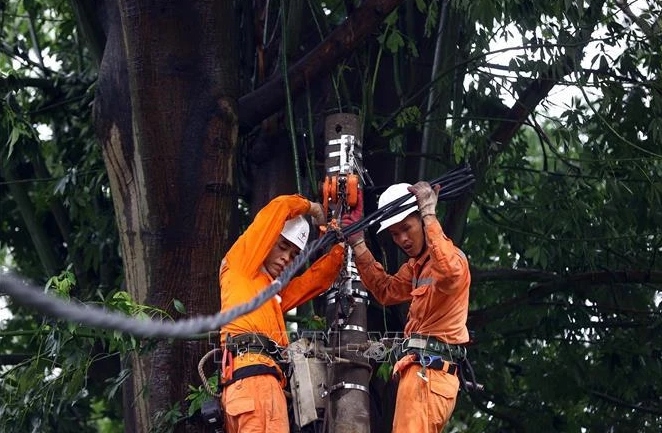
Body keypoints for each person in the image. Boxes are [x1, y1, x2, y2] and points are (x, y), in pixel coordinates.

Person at [342, 181, 471, 433]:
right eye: (393, 233)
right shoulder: (415, 267)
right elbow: (385, 291)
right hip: (420, 373)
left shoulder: (451, 260)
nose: (402, 239)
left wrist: (429, 213)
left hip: (430, 375)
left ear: (422, 221)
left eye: (406, 228)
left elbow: (448, 272)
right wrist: (358, 244)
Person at [219, 194, 345, 433]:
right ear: (268, 241)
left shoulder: (267, 294)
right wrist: (312, 208)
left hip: (250, 384)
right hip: (258, 383)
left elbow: (312, 283)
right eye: (283, 246)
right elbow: (280, 207)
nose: (287, 258)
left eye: (294, 254)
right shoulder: (242, 264)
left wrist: (339, 248)